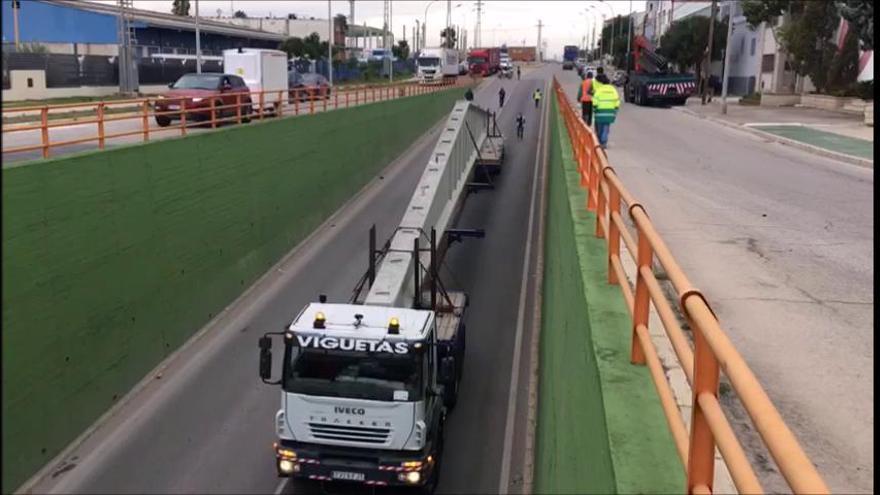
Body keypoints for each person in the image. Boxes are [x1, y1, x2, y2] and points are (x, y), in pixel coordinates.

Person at [592, 73, 620, 149]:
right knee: (606, 127)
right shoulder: (613, 90)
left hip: (600, 112)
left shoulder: (599, 90)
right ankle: (604, 142)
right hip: (610, 112)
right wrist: (615, 110)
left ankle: (600, 141)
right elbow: (617, 101)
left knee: (600, 128)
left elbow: (595, 101)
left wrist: (595, 109)